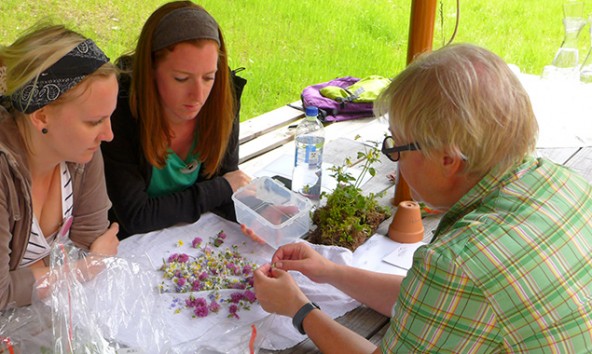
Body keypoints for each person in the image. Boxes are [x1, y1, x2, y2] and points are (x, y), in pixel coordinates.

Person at [248, 43, 592, 353]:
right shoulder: (566, 183)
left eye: (396, 145)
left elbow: (452, 288)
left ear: (447, 159)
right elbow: (437, 302)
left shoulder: (458, 262)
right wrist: (331, 271)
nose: (393, 160)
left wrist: (300, 309)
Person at [101, 1, 251, 239]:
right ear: (150, 70)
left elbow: (228, 185)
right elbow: (135, 216)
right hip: (130, 244)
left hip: (191, 240)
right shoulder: (119, 112)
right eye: (181, 79)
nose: (198, 95)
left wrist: (255, 214)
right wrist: (219, 189)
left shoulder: (221, 100)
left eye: (209, 77)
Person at [0, 24, 120, 310]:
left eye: (109, 117)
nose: (109, 134)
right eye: (94, 121)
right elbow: (2, 293)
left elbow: (91, 239)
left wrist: (36, 276)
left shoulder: (80, 152)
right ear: (41, 116)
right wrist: (86, 268)